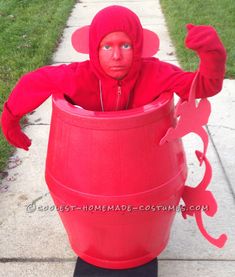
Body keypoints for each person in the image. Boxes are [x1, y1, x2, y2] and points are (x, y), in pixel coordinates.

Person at [0, 5, 226, 277]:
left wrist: (212, 56)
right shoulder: (79, 76)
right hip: (88, 167)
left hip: (147, 163)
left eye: (126, 45)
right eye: (107, 47)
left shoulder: (155, 73)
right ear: (94, 48)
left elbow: (202, 87)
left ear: (139, 45)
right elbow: (35, 82)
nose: (117, 56)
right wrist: (10, 117)